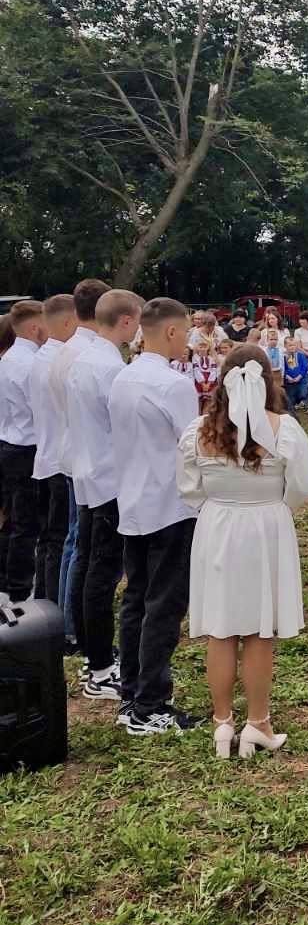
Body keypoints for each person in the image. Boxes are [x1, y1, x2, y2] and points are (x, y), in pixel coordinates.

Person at [179, 346, 308, 759]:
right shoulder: (283, 428)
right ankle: (257, 722)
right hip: (265, 527)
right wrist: (277, 506)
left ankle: (223, 722)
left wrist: (218, 505)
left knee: (220, 629)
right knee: (260, 630)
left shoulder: (199, 431)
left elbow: (189, 488)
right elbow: (303, 483)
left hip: (217, 526)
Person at [108, 298, 200, 736]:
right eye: (186, 332)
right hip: (169, 505)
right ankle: (151, 703)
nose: (189, 341)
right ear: (170, 332)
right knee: (164, 604)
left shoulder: (123, 377)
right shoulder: (173, 384)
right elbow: (193, 445)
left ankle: (131, 693)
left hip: (133, 501)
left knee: (137, 600)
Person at [68, 289, 144, 699]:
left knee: (90, 565)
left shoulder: (86, 359)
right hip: (109, 478)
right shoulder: (110, 367)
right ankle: (100, 668)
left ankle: (92, 652)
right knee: (103, 570)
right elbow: (125, 428)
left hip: (88, 471)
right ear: (127, 320)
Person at [46, 278, 110, 650]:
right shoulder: (86, 354)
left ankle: (68, 621)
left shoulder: (67, 351)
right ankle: (72, 626)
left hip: (72, 450)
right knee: (80, 544)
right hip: (86, 455)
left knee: (76, 541)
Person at [29, 294, 77, 602]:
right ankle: (54, 606)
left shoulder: (40, 357)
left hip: (46, 453)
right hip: (59, 457)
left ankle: (44, 599)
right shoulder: (63, 359)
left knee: (49, 538)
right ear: (69, 321)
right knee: (59, 539)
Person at [0, 300, 48, 599]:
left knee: (13, 519)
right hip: (26, 446)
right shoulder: (30, 364)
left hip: (9, 442)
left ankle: (6, 579)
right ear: (34, 327)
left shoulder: (8, 359)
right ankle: (18, 587)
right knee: (26, 523)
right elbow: (39, 410)